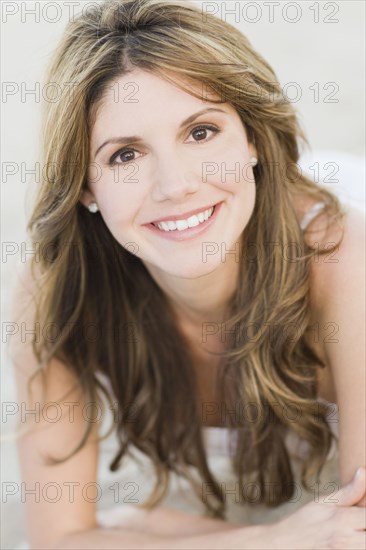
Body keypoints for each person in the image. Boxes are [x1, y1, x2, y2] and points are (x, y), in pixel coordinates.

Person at [9, 0, 365, 548]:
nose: (175, 186)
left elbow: (355, 529)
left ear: (251, 138)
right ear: (84, 187)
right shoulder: (59, 292)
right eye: (126, 155)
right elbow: (58, 539)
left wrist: (169, 535)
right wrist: (267, 540)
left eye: (201, 132)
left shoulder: (343, 260)